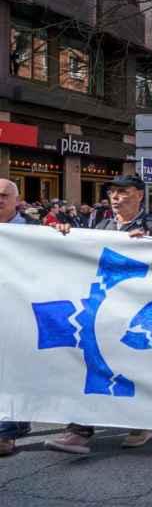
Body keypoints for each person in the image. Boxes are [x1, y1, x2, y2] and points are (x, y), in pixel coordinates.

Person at [44, 175, 152, 455]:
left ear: (139, 195)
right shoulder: (101, 225)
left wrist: (150, 244)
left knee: (131, 367)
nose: (115, 197)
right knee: (89, 362)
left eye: (122, 192)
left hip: (138, 311)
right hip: (104, 309)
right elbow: (84, 253)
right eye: (112, 192)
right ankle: (78, 431)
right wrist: (66, 234)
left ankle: (140, 420)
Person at [0, 179, 33, 457]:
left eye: (3, 195)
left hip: (23, 310)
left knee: (11, 368)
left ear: (16, 201)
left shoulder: (35, 232)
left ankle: (5, 431)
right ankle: (14, 424)